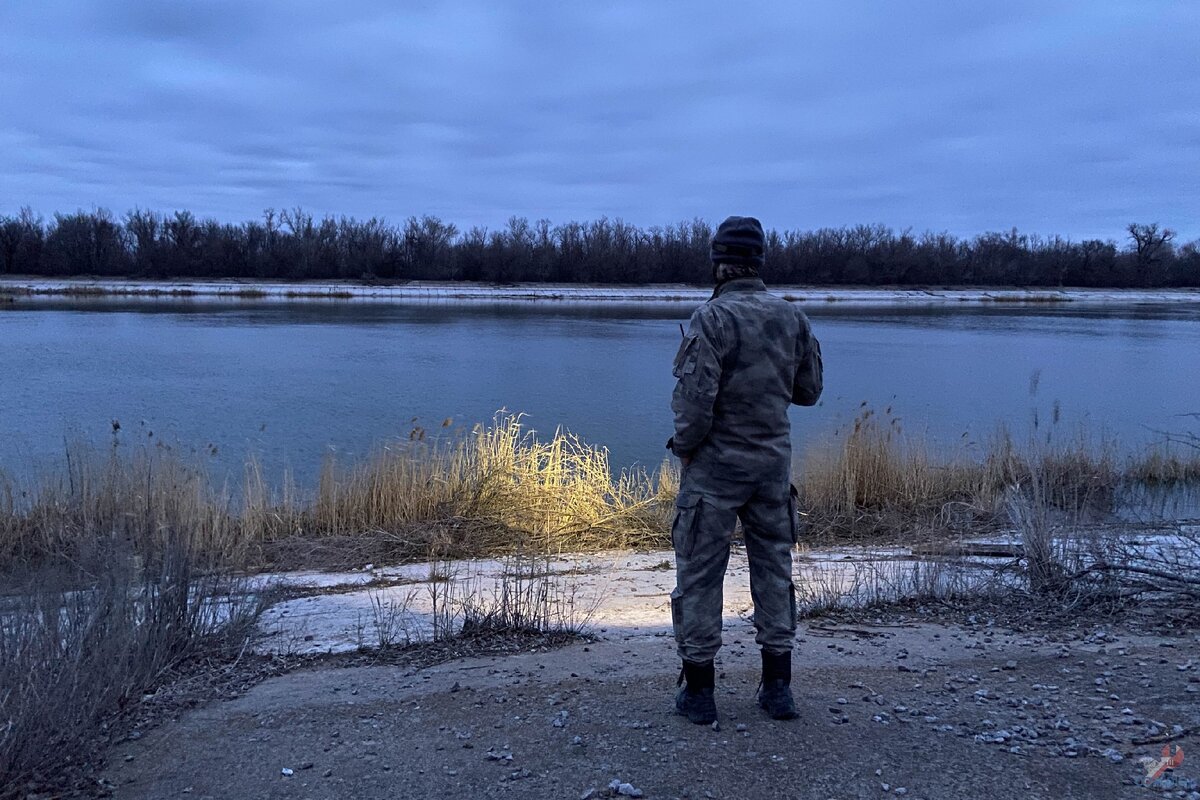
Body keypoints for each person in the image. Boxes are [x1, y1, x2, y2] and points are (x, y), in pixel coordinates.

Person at [667, 215, 823, 724]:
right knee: (774, 571)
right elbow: (809, 392)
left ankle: (699, 695)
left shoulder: (711, 319)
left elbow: (694, 404)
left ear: (718, 263)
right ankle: (778, 691)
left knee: (700, 575)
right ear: (759, 262)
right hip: (771, 470)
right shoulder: (791, 318)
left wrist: (685, 449)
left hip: (715, 471)